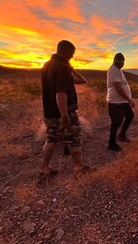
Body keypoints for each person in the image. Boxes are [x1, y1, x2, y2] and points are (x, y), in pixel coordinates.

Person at [41, 40, 88, 178]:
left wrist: (71, 69)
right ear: (66, 51)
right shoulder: (62, 67)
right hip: (65, 111)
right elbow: (60, 93)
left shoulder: (47, 65)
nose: (72, 56)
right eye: (72, 53)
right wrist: (65, 115)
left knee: (52, 139)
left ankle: (44, 168)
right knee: (74, 139)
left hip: (49, 112)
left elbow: (82, 81)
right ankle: (80, 168)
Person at [106, 53, 135, 151]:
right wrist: (129, 99)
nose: (121, 63)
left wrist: (127, 100)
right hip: (116, 103)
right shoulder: (114, 70)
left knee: (130, 115)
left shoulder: (118, 70)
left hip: (122, 102)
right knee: (116, 123)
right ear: (114, 60)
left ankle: (121, 135)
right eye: (119, 61)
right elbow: (118, 87)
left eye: (123, 61)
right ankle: (112, 144)